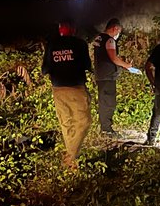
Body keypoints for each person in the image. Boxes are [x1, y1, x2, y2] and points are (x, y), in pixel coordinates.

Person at [42, 18, 92, 171]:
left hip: (58, 90)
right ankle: (70, 156)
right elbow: (87, 65)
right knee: (84, 122)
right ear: (73, 29)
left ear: (60, 29)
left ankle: (71, 161)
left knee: (67, 123)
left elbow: (44, 70)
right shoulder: (79, 44)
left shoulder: (51, 45)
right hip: (75, 88)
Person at [92, 18, 132, 136]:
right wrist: (127, 66)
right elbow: (113, 58)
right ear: (115, 28)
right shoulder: (110, 41)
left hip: (100, 74)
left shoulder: (98, 38)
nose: (118, 34)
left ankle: (105, 127)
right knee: (109, 103)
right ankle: (107, 130)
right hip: (108, 75)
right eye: (118, 31)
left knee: (104, 102)